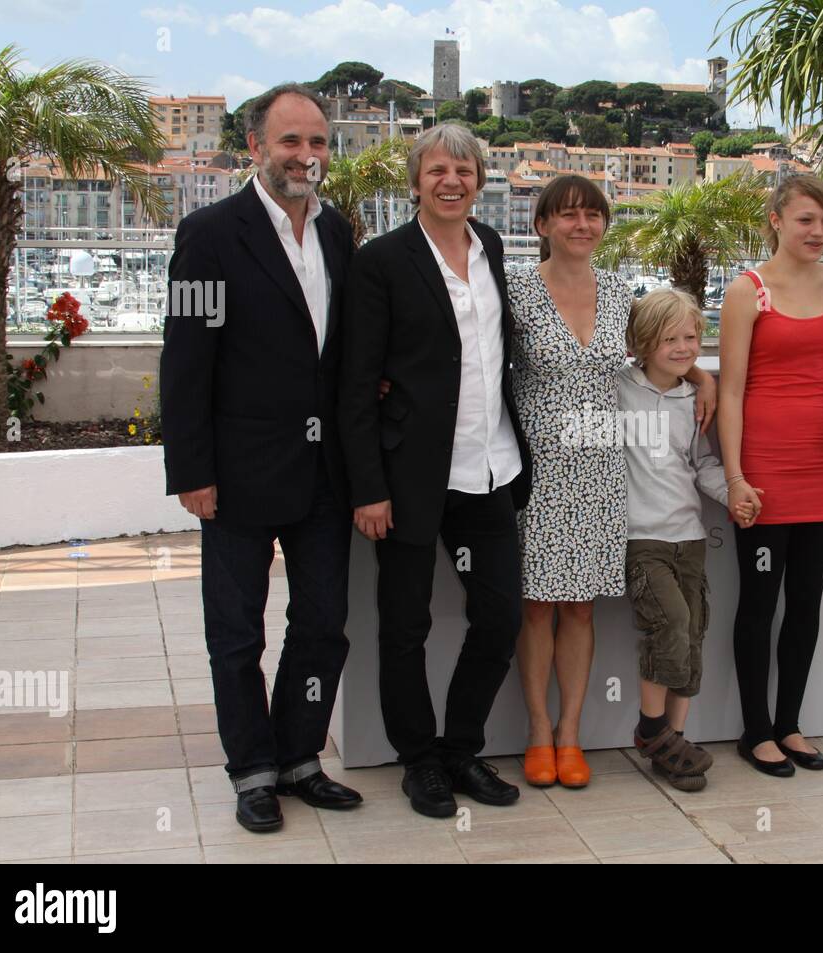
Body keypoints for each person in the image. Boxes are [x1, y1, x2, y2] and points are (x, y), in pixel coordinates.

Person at [160, 83, 362, 833]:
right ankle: (252, 771)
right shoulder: (210, 234)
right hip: (237, 474)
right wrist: (192, 471)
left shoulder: (339, 233)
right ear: (255, 148)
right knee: (238, 632)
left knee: (322, 624)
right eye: (290, 142)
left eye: (317, 142)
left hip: (324, 475)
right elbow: (185, 361)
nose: (306, 156)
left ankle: (300, 756)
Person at [336, 123, 532, 817]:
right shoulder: (382, 261)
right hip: (414, 479)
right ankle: (417, 758)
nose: (453, 181)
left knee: (500, 617)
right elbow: (357, 383)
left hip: (492, 470)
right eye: (438, 170)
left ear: (481, 179)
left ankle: (460, 748)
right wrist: (368, 486)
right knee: (404, 627)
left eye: (466, 170)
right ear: (416, 180)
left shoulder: (494, 248)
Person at [508, 175, 717, 789]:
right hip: (537, 468)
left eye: (592, 215)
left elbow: (654, 356)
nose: (581, 225)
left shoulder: (621, 291)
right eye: (567, 215)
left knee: (579, 608)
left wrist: (701, 376)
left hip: (602, 470)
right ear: (543, 224)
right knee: (536, 608)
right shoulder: (517, 288)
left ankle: (571, 734)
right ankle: (538, 731)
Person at [718, 175, 823, 777]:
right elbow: (731, 391)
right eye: (805, 220)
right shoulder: (747, 290)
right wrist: (735, 476)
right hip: (763, 460)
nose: (817, 232)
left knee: (807, 601)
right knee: (759, 602)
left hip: (821, 459)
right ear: (776, 221)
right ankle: (754, 730)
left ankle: (791, 724)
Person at [620, 289, 756, 792]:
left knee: (693, 633)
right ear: (641, 342)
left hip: (691, 538)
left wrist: (734, 493)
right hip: (642, 539)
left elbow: (701, 466)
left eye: (691, 337)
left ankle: (672, 744)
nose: (682, 347)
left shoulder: (694, 400)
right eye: (668, 338)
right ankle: (652, 731)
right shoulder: (619, 388)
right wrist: (703, 376)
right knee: (670, 625)